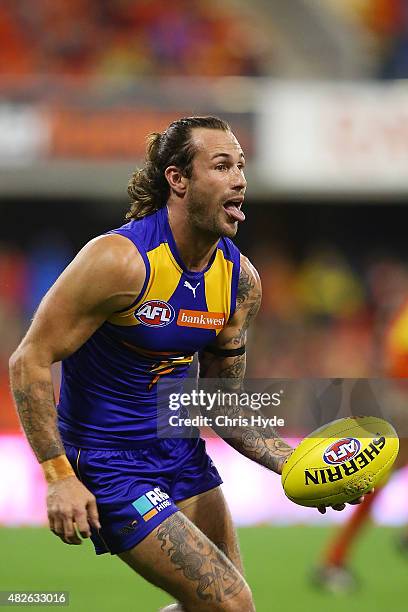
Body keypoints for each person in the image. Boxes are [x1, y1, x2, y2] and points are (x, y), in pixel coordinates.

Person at [9, 116, 365, 612]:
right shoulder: (120, 261)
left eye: (241, 166)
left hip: (179, 454)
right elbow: (29, 360)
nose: (240, 178)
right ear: (178, 179)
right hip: (109, 465)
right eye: (221, 166)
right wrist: (58, 475)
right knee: (231, 603)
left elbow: (221, 406)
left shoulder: (239, 280)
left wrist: (291, 464)